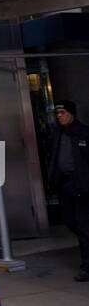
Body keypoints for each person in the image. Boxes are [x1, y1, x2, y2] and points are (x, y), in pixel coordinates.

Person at [49, 99, 89, 281]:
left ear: (72, 114)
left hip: (80, 184)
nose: (59, 116)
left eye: (63, 113)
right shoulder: (58, 134)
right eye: (57, 114)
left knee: (82, 225)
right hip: (64, 184)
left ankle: (86, 266)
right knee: (70, 222)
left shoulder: (83, 133)